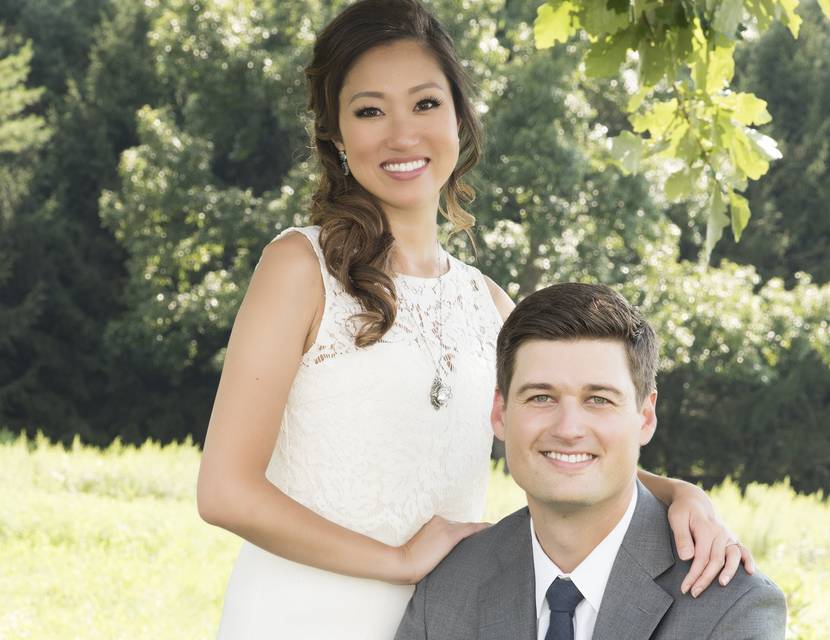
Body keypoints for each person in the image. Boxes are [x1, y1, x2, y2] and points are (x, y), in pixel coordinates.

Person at [196, 1, 754, 638]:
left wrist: (682, 495)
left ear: (461, 118)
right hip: (300, 615)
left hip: (444, 623)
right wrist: (397, 562)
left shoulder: (487, 302)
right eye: (370, 110)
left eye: (426, 104)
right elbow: (225, 491)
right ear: (336, 136)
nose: (402, 134)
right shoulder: (298, 267)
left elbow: (555, 435)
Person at [395, 283, 787, 640]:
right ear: (500, 413)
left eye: (598, 399)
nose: (568, 429)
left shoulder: (731, 608)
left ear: (645, 417)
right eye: (541, 397)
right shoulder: (449, 587)